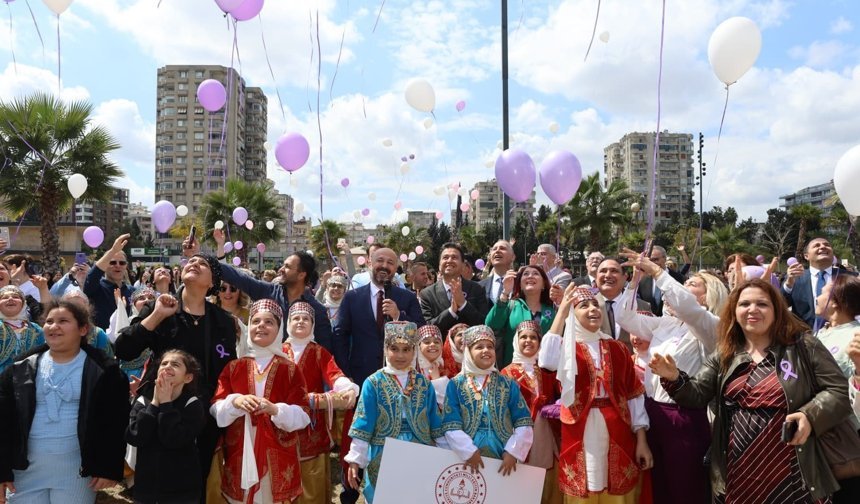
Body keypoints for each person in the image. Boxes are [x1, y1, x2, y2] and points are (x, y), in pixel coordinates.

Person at [650, 278, 852, 502]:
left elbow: (838, 391)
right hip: (739, 471)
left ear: (777, 310)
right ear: (734, 311)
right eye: (744, 304)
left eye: (762, 304)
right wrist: (674, 377)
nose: (752, 310)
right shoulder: (726, 353)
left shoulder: (804, 346)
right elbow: (696, 395)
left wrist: (810, 415)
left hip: (794, 471)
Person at [116, 253, 239, 495]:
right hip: (159, 406)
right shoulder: (160, 306)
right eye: (191, 261)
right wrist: (158, 315)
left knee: (195, 478)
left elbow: (227, 369)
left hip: (200, 414)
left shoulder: (222, 320)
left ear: (212, 281)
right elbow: (124, 350)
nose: (193, 263)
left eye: (202, 264)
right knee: (155, 476)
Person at [617, 250, 729, 503]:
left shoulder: (710, 325)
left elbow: (687, 308)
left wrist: (658, 272)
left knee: (685, 488)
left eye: (690, 284)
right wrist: (634, 281)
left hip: (685, 417)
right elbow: (624, 317)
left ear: (708, 295)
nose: (679, 288)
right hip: (653, 412)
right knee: (658, 487)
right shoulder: (665, 324)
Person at [0, 300, 130, 503]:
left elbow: (114, 423)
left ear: (83, 328)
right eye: (49, 321)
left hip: (77, 473)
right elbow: (3, 421)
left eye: (63, 321)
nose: (54, 326)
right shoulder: (19, 369)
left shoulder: (106, 372)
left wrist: (107, 468)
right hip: (24, 472)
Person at [539, 285, 652, 502]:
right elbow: (546, 360)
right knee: (583, 489)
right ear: (572, 314)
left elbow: (634, 395)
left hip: (617, 429)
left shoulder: (617, 348)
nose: (593, 309)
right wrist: (561, 313)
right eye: (583, 306)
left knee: (616, 490)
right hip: (579, 430)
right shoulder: (566, 348)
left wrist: (641, 439)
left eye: (595, 305)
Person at [332, 247, 424, 504]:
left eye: (390, 263)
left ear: (396, 268)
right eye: (380, 261)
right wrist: (346, 375)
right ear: (370, 263)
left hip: (399, 382)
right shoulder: (353, 298)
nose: (385, 265)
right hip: (360, 380)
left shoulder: (406, 298)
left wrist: (398, 316)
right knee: (357, 434)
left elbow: (422, 331)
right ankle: (350, 491)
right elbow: (339, 334)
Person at [211, 299, 311, 504]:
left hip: (277, 450)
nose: (261, 326)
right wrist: (236, 401)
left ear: (279, 328)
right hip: (240, 448)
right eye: (256, 321)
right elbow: (215, 406)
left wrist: (275, 410)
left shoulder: (289, 369)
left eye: (269, 322)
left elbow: (303, 415)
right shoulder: (234, 367)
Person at [345, 321, 447, 503]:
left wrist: (447, 454)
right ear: (385, 349)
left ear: (414, 350)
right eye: (394, 348)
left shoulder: (424, 383)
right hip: (383, 451)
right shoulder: (373, 382)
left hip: (420, 451)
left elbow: (435, 423)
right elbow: (363, 422)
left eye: (406, 349)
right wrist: (355, 459)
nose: (400, 355)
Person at [197, 230, 334, 352]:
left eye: (287, 267)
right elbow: (237, 277)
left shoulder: (318, 311)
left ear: (301, 275)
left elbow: (326, 351)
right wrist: (203, 259)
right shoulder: (267, 291)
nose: (280, 269)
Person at [281, 302, 358, 504]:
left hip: (311, 426)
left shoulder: (318, 352)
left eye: (306, 319)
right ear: (288, 323)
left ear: (313, 325)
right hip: (281, 424)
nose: (300, 322)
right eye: (296, 318)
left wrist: (347, 387)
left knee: (312, 480)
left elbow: (334, 374)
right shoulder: (278, 351)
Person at [441, 324, 534, 479]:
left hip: (503, 455)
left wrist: (513, 451)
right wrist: (469, 451)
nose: (486, 350)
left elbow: (523, 421)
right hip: (467, 457)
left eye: (490, 347)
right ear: (468, 352)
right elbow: (451, 424)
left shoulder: (507, 383)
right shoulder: (456, 384)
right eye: (479, 347)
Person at [126, 349, 206, 504]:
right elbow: (135, 436)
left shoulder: (193, 404)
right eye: (164, 363)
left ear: (188, 377)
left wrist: (166, 405)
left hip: (181, 491)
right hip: (146, 489)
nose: (167, 367)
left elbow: (174, 439)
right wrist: (155, 404)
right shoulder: (143, 401)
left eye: (175, 364)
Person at [501, 320, 560, 503]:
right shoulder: (506, 373)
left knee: (549, 484)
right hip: (519, 436)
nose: (528, 341)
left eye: (533, 337)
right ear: (515, 341)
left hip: (546, 436)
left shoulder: (547, 372)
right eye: (523, 337)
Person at [812, 274, 860, 501]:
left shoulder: (855, 335)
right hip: (821, 431)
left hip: (845, 436)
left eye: (822, 291)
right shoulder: (823, 331)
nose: (817, 296)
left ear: (834, 301)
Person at [486, 265, 556, 368]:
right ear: (520, 285)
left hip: (544, 372)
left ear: (543, 285)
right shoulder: (511, 305)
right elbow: (491, 324)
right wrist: (505, 292)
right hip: (513, 371)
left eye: (536, 273)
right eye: (526, 274)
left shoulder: (552, 310)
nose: (530, 276)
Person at [783, 237, 857, 329]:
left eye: (827, 245)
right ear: (806, 256)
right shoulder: (795, 278)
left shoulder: (851, 278)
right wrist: (789, 284)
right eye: (816, 245)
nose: (822, 247)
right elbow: (780, 304)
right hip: (805, 337)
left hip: (844, 336)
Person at [419, 242, 489, 335]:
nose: (449, 261)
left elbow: (484, 323)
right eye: (445, 257)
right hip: (441, 348)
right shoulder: (427, 294)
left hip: (470, 347)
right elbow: (427, 328)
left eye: (454, 257)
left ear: (463, 264)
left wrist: (463, 304)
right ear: (439, 264)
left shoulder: (477, 289)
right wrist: (451, 311)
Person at [596, 257, 650, 352]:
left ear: (625, 277)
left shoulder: (642, 306)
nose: (608, 275)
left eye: (614, 271)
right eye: (603, 271)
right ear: (596, 276)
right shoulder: (585, 307)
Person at [83, 234, 134, 330]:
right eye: (112, 262)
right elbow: (92, 276)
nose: (118, 266)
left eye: (122, 263)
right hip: (101, 342)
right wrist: (113, 251)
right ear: (105, 265)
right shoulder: (96, 288)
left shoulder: (132, 291)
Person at [108, 287, 157, 381]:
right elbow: (116, 338)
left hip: (152, 374)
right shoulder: (127, 322)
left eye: (151, 298)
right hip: (129, 375)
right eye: (141, 298)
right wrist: (120, 307)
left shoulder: (161, 323)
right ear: (134, 304)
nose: (146, 300)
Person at [0, 286, 45, 374]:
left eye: (16, 297)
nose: (10, 299)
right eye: (4, 297)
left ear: (23, 303)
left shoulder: (36, 330)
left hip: (27, 380)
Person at [637, 245, 688, 315]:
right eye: (650, 260)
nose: (653, 263)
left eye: (656, 259)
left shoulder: (679, 279)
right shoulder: (642, 280)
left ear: (664, 258)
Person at [416, 324, 449, 408]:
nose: (432, 344)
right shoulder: (414, 368)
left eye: (437, 342)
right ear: (418, 346)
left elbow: (448, 403)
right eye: (427, 342)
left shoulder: (447, 366)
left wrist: (437, 379)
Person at [479, 240, 516, 306]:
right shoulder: (480, 286)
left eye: (502, 248)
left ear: (513, 257)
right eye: (494, 249)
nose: (497, 251)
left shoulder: (521, 283)